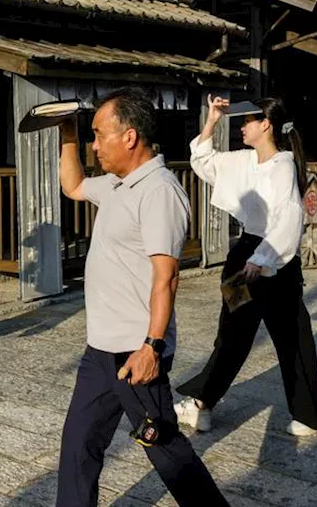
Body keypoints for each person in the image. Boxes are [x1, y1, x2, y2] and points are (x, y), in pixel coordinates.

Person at [55, 89, 228, 506]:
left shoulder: (159, 192)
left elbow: (166, 277)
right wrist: (66, 133)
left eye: (98, 135)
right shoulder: (117, 185)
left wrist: (152, 345)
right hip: (102, 350)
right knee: (79, 444)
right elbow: (73, 185)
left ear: (129, 137)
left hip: (135, 352)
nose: (94, 145)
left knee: (165, 449)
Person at [173, 96, 317, 437]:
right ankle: (201, 405)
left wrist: (262, 260)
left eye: (248, 120)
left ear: (266, 124)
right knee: (232, 335)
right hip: (244, 255)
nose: (241, 126)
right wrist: (213, 120)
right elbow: (203, 161)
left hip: (274, 260)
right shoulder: (245, 161)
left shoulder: (282, 166)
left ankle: (307, 415)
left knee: (292, 336)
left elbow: (289, 217)